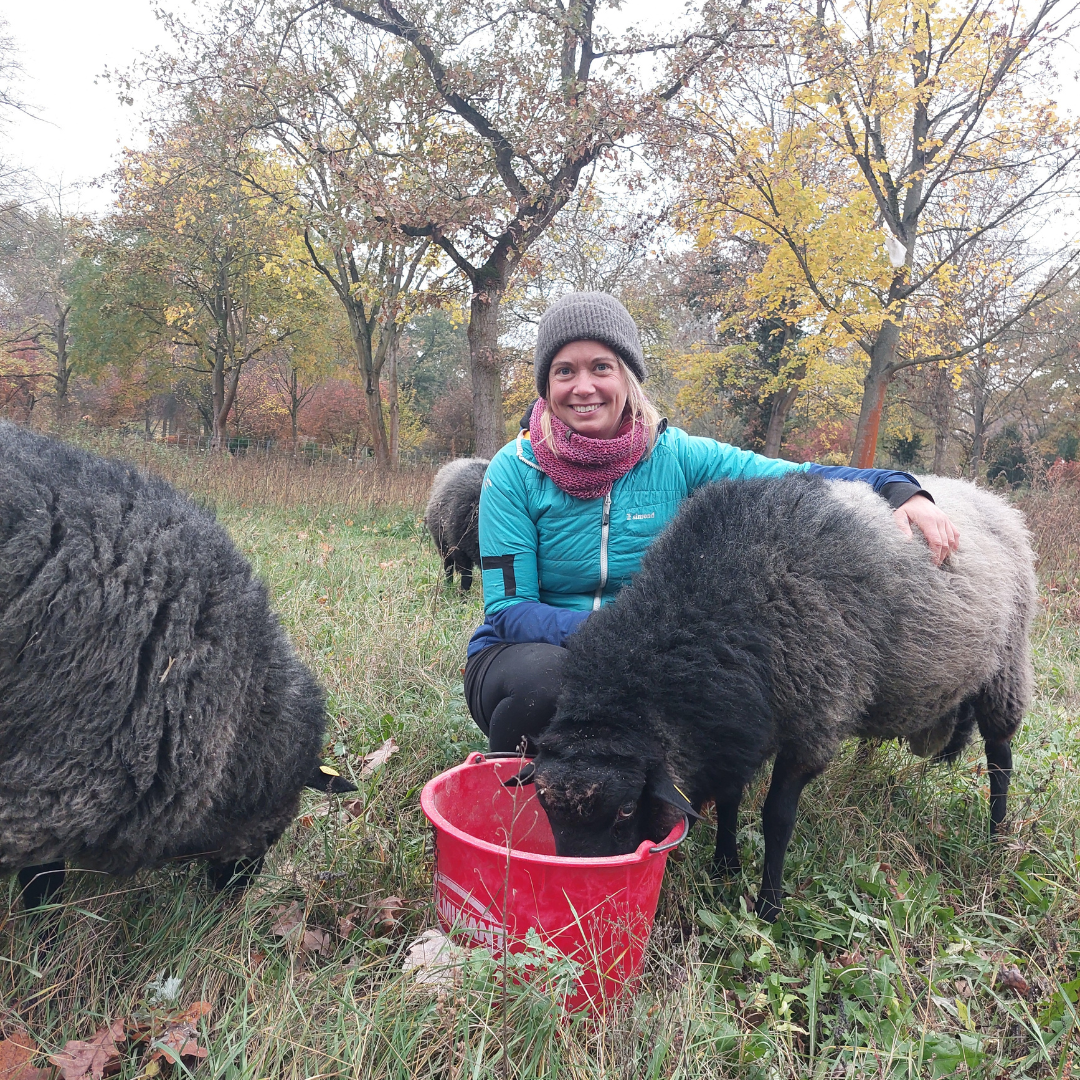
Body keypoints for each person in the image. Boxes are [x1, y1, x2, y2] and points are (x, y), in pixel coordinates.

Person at [464, 292, 960, 754]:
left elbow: (797, 476)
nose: (583, 387)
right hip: (530, 653)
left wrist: (898, 488)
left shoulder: (677, 455)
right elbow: (510, 611)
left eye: (601, 367)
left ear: (628, 376)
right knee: (550, 686)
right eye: (564, 371)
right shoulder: (514, 470)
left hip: (647, 656)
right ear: (547, 385)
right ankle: (507, 801)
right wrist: (623, 631)